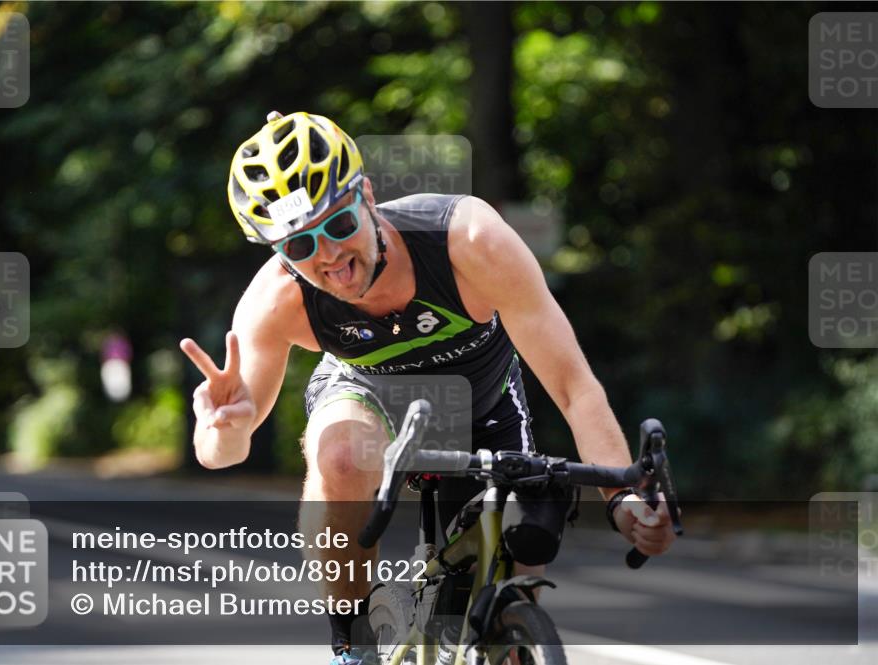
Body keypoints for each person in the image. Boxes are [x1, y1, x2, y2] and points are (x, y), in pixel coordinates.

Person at [180, 111, 677, 664]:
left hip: (483, 404)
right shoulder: (276, 301)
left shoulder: (468, 240)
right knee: (341, 457)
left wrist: (622, 498)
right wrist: (224, 426)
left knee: (515, 590)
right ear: (277, 253)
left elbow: (573, 387)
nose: (329, 258)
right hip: (365, 396)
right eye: (298, 247)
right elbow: (223, 454)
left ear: (366, 195)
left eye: (339, 226)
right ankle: (352, 644)